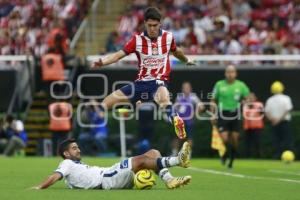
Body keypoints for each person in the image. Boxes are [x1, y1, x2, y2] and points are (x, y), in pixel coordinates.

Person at [92, 7, 196, 140]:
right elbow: (118, 55)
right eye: (149, 25)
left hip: (158, 81)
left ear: (160, 23)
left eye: (155, 25)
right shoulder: (137, 40)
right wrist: (102, 62)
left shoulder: (168, 37)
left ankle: (175, 119)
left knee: (164, 100)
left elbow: (177, 52)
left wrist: (186, 60)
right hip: (140, 84)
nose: (152, 28)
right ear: (145, 23)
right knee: (106, 102)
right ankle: (93, 130)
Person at [31, 138, 191, 190]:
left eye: (77, 147)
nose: (78, 150)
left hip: (110, 173)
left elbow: (71, 181)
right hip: (106, 179)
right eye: (74, 148)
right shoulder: (66, 163)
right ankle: (178, 160)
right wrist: (39, 187)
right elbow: (55, 176)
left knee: (154, 153)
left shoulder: (73, 166)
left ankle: (169, 180)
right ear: (66, 154)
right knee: (140, 161)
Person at [211, 65, 250, 168]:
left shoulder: (241, 85)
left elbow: (247, 98)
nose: (230, 74)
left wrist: (245, 102)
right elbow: (213, 100)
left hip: (235, 114)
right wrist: (213, 114)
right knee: (224, 138)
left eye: (232, 72)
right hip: (223, 114)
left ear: (235, 73)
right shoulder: (219, 84)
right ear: (225, 73)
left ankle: (231, 159)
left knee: (235, 139)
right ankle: (224, 154)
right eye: (228, 72)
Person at [172, 82, 204, 156]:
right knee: (177, 137)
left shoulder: (193, 97)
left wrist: (196, 113)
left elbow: (201, 106)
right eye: (184, 87)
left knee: (190, 138)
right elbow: (175, 107)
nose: (186, 89)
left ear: (190, 88)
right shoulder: (179, 97)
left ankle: (188, 154)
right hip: (180, 121)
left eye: (187, 87)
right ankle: (174, 153)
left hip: (189, 121)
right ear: (182, 89)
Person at [265, 81, 294, 159]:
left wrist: (273, 120)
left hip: (274, 123)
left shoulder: (269, 100)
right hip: (285, 122)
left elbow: (267, 112)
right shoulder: (286, 98)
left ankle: (277, 156)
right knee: (287, 141)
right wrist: (279, 119)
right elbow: (287, 110)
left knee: (276, 141)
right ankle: (289, 156)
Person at [243, 92, 264, 158]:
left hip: (257, 127)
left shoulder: (259, 104)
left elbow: (262, 113)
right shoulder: (245, 105)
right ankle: (247, 156)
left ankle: (259, 156)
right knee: (247, 143)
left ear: (255, 98)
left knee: (257, 143)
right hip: (248, 127)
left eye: (252, 97)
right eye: (249, 97)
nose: (251, 99)